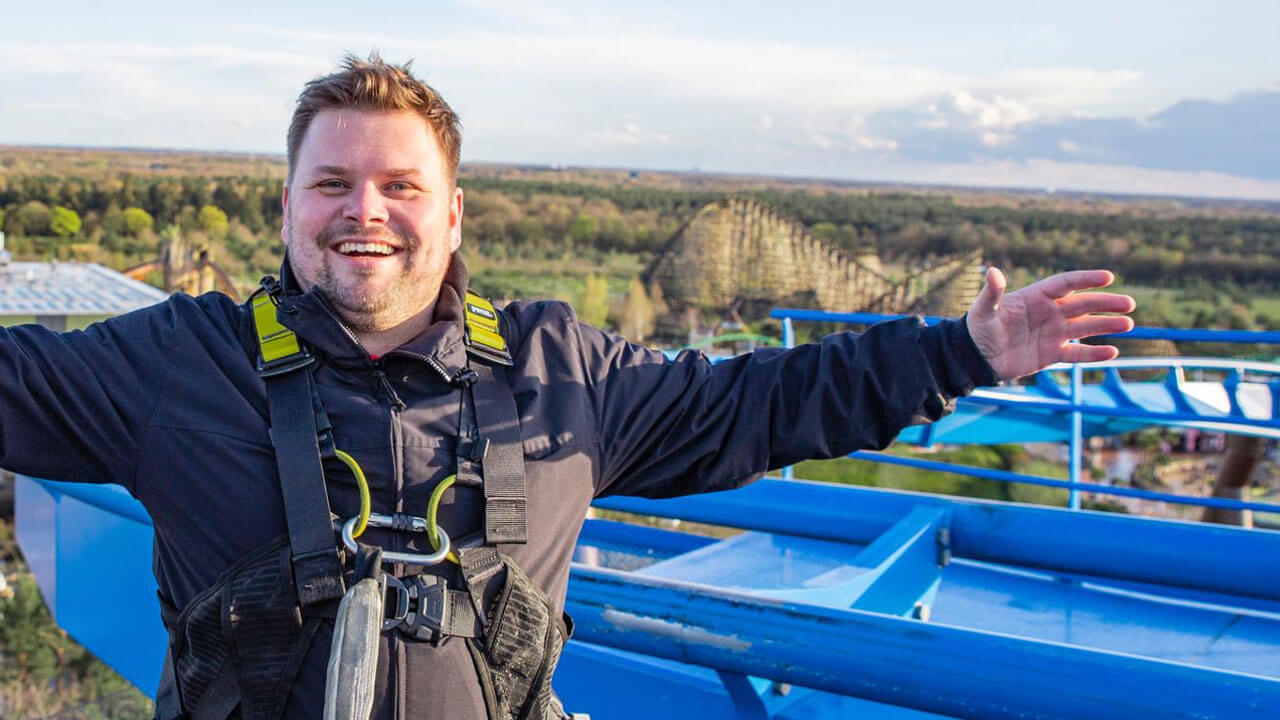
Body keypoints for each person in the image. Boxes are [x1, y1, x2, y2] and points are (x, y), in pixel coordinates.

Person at [0, 55, 1134, 720]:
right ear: (287, 205)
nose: (366, 212)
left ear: (451, 214)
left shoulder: (558, 368)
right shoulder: (177, 365)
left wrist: (957, 354)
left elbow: (760, 403)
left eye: (401, 185)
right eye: (331, 184)